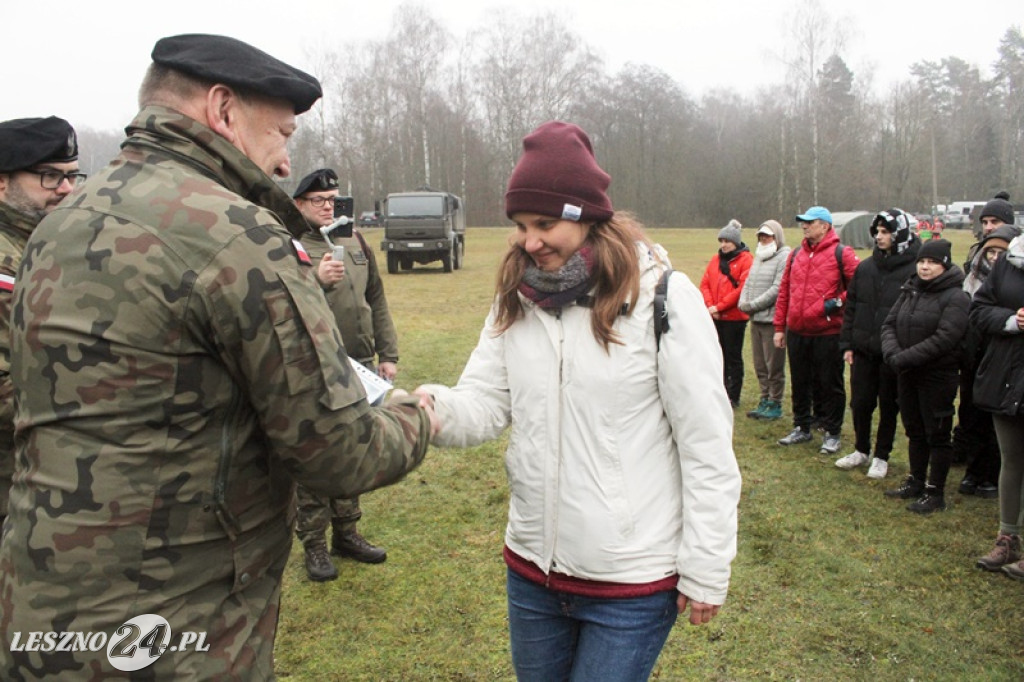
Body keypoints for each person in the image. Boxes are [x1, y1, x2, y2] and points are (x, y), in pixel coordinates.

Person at [0, 34, 436, 680]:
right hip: (173, 633)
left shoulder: (60, 225)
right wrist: (420, 418)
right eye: (280, 135)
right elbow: (337, 450)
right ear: (223, 110)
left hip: (39, 619)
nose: (285, 164)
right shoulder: (237, 235)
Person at [414, 121, 741, 681]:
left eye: (544, 223)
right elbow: (485, 404)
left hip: (630, 584)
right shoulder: (515, 299)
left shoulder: (662, 298)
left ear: (588, 215)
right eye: (520, 225)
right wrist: (426, 411)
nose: (529, 241)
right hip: (532, 575)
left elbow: (707, 445)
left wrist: (707, 567)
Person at [291, 168, 398, 581]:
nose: (327, 206)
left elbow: (377, 298)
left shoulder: (354, 240)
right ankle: (314, 544)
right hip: (314, 367)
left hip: (361, 365)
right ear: (299, 204)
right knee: (317, 454)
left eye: (333, 199)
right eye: (318, 200)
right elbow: (281, 305)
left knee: (354, 450)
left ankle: (347, 532)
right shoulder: (290, 245)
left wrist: (387, 353)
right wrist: (315, 282)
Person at [0, 116, 82, 528]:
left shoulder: (45, 244)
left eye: (71, 176)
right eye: (50, 177)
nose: (66, 189)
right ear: (2, 182)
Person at [881, 240, 969, 513]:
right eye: (921, 261)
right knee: (914, 430)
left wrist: (903, 358)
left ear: (944, 264)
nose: (925, 267)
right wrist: (893, 353)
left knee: (937, 434)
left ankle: (935, 492)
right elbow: (889, 324)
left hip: (937, 376)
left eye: (932, 262)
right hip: (907, 374)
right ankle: (916, 481)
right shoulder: (910, 289)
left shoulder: (956, 297)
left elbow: (946, 338)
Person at [835, 209, 920, 479]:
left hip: (892, 351)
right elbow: (852, 307)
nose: (880, 237)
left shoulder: (914, 268)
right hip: (863, 349)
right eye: (878, 232)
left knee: (888, 405)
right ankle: (861, 449)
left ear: (900, 234)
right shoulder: (866, 267)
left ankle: (882, 455)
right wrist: (848, 343)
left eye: (886, 232)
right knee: (860, 403)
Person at [774, 206, 859, 454]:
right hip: (798, 331)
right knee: (800, 382)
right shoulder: (796, 254)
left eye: (810, 222)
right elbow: (785, 291)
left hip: (828, 332)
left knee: (829, 383)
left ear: (825, 226)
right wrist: (780, 327)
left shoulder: (842, 253)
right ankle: (801, 426)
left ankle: (832, 432)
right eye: (803, 222)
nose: (804, 226)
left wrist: (836, 302)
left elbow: (858, 287)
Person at [971, 233, 1024, 576]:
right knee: (1012, 459)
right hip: (1007, 374)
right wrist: (1012, 320)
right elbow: (979, 309)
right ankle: (1008, 539)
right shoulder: (1010, 260)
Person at [957, 222, 1020, 498]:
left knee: (1002, 428)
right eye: (990, 253)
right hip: (978, 358)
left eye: (1000, 252)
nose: (994, 258)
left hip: (1007, 359)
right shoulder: (972, 277)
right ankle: (974, 470)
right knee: (973, 417)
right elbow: (977, 311)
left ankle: (991, 475)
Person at [738, 220, 790, 420]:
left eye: (767, 236)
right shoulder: (759, 257)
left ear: (776, 237)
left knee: (773, 365)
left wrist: (753, 305)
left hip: (772, 321)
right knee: (760, 364)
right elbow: (748, 282)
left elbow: (777, 289)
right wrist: (743, 301)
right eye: (761, 236)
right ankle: (764, 398)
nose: (763, 239)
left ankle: (775, 402)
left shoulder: (784, 257)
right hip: (756, 320)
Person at [699, 219, 753, 407]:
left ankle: (733, 395)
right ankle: (719, 389)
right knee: (716, 355)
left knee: (733, 356)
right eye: (721, 241)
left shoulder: (746, 260)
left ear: (736, 242)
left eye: (727, 241)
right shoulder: (715, 260)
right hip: (715, 316)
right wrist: (710, 306)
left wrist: (719, 307)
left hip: (735, 318)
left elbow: (741, 290)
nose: (723, 245)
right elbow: (705, 283)